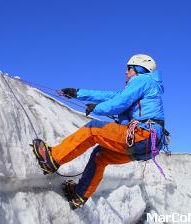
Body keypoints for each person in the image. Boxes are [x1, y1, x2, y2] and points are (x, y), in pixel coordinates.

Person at [32, 54, 166, 209]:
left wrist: (96, 108)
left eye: (128, 69)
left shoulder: (142, 80)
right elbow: (109, 96)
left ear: (138, 68)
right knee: (99, 156)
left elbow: (119, 103)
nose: (125, 72)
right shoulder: (146, 86)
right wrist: (77, 93)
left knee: (93, 129)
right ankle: (79, 195)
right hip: (148, 146)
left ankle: (52, 159)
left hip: (142, 135)